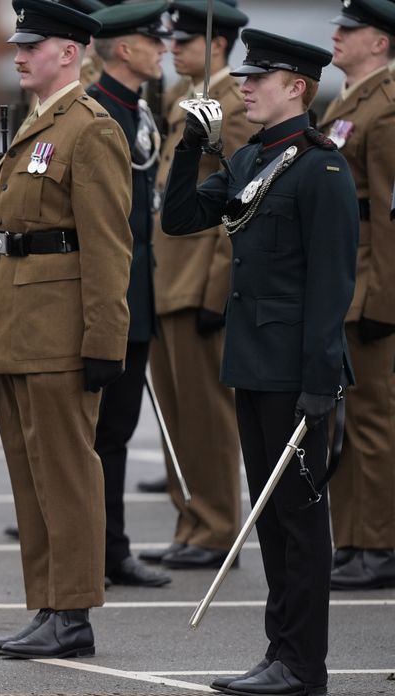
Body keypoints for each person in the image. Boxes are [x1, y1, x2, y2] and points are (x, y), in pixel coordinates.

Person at [162, 29, 357, 696]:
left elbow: (332, 286)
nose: (244, 86)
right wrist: (191, 144)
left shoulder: (322, 169)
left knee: (299, 522)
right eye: (243, 77)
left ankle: (303, 663)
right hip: (252, 364)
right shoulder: (250, 160)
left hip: (297, 374)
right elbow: (181, 217)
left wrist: (321, 382)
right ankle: (281, 652)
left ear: (296, 87)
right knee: (271, 520)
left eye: (259, 78)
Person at [0, 0, 131, 658]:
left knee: (66, 474)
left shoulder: (90, 127)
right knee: (30, 474)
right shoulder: (39, 123)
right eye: (19, 43)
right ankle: (45, 603)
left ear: (69, 52)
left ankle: (72, 612)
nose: (19, 53)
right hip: (16, 322)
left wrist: (103, 340)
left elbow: (107, 247)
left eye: (33, 45)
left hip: (61, 331)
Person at [141, 0, 252, 572]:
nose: (172, 49)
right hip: (167, 277)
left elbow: (239, 203)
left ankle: (214, 528)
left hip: (197, 283)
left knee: (206, 417)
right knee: (178, 417)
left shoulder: (231, 104)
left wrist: (217, 290)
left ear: (215, 45)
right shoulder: (178, 98)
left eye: (182, 42)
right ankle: (190, 521)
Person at [86, 0, 171, 589]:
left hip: (136, 293)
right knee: (96, 434)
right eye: (152, 39)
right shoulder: (100, 113)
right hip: (107, 294)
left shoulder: (138, 110)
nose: (163, 47)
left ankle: (110, 546)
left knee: (114, 432)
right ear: (123, 48)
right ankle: (96, 547)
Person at [319, 0, 395, 591]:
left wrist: (385, 301)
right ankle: (350, 539)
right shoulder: (348, 102)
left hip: (372, 284)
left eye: (350, 28)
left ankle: (377, 543)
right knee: (343, 420)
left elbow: (391, 213)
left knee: (372, 420)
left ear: (381, 40)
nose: (336, 35)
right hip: (346, 279)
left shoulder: (388, 107)